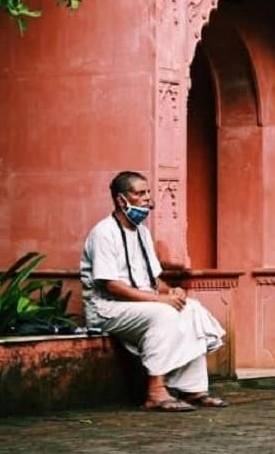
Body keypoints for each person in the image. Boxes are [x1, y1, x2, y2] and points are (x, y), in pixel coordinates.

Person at [79, 171, 228, 412]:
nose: (148, 199)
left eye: (148, 193)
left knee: (191, 309)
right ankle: (155, 391)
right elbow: (111, 285)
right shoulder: (104, 233)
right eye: (140, 194)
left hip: (140, 304)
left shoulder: (142, 233)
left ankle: (193, 389)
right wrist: (161, 301)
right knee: (164, 314)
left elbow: (155, 279)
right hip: (106, 309)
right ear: (121, 200)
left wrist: (173, 293)